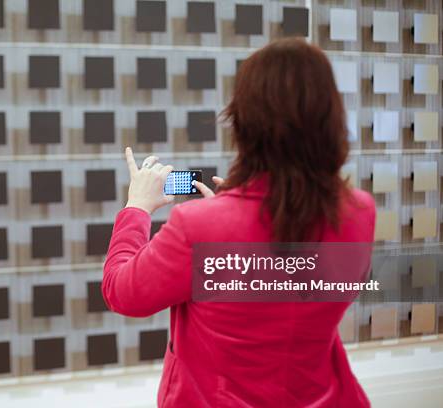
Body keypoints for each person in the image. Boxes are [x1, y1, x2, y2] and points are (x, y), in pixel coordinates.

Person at [102, 38, 375, 407]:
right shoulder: (359, 212)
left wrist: (136, 208)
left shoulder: (198, 228)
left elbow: (122, 292)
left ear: (244, 121)